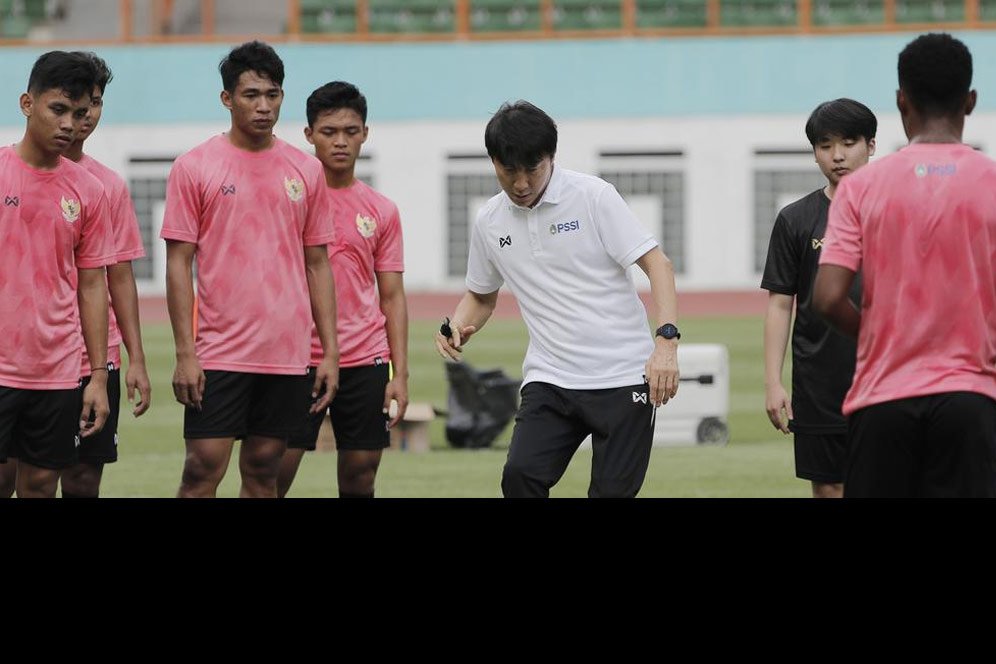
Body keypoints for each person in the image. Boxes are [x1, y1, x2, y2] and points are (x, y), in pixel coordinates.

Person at [435, 100, 680, 498]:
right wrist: (459, 327)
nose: (520, 183)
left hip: (623, 377)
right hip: (551, 378)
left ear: (551, 157)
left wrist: (666, 343)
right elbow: (480, 297)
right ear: (493, 161)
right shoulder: (490, 221)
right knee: (520, 477)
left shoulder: (593, 197)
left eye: (532, 168)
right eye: (508, 170)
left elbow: (658, 265)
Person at [813, 32, 996, 497]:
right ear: (970, 100)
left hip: (884, 398)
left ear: (901, 100)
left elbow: (828, 297)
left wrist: (877, 333)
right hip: (972, 399)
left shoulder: (861, 188)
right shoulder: (991, 182)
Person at [160, 40, 339, 498]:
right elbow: (178, 264)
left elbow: (318, 264)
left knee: (264, 473)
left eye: (273, 95)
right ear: (226, 99)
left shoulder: (307, 170)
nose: (264, 107)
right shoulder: (194, 166)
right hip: (219, 351)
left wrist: (330, 354)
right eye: (251, 95)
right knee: (202, 470)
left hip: (286, 351)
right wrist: (185, 352)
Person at [278, 82, 408, 499]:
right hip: (299, 357)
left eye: (350, 132)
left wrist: (400, 373)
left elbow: (392, 295)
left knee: (360, 476)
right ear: (309, 134)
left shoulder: (381, 209)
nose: (340, 142)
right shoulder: (287, 201)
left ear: (365, 134)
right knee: (272, 473)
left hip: (365, 357)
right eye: (329, 132)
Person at [0, 51, 114, 499]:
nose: (69, 123)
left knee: (43, 485)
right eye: (58, 109)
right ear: (28, 104)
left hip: (58, 371)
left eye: (80, 113)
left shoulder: (89, 190)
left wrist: (99, 378)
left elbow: (92, 285)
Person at [761, 98, 877, 498]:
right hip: (819, 382)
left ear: (871, 145)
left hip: (888, 375)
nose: (838, 156)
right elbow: (780, 303)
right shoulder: (795, 219)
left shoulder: (895, 208)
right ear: (814, 153)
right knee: (829, 489)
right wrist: (773, 382)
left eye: (848, 142)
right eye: (825, 146)